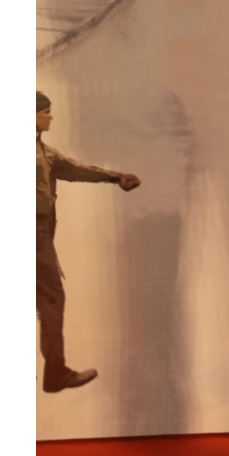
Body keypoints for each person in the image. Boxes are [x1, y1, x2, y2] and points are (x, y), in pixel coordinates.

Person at [36, 90, 141, 393]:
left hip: (40, 238)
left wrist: (115, 177)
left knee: (48, 301)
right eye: (45, 112)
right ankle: (55, 373)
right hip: (35, 239)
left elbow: (75, 169)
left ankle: (55, 372)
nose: (51, 117)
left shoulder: (44, 153)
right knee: (52, 301)